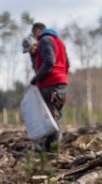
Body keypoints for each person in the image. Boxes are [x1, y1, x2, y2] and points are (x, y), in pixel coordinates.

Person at [25, 22, 69, 153]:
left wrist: (36, 78)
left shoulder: (44, 40)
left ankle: (51, 152)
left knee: (49, 117)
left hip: (50, 84)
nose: (34, 37)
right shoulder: (59, 41)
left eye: (34, 34)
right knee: (54, 115)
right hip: (61, 83)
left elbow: (49, 61)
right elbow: (67, 62)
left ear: (37, 31)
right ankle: (50, 149)